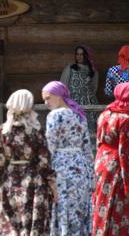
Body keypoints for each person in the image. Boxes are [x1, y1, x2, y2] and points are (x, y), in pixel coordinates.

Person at [0, 89, 56, 236]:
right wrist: (52, 185)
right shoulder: (36, 131)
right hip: (33, 184)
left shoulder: (3, 131)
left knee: (11, 225)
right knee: (31, 225)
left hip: (10, 182)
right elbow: (44, 161)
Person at [42, 81, 94, 236]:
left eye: (48, 98)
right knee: (79, 209)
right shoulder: (79, 114)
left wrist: (44, 171)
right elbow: (87, 146)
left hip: (62, 168)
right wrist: (91, 175)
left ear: (58, 96)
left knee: (63, 208)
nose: (46, 103)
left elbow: (49, 146)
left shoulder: (54, 116)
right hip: (81, 168)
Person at [92, 82, 129, 235]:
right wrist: (127, 181)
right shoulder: (125, 118)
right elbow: (124, 151)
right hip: (116, 165)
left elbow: (98, 141)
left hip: (102, 160)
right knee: (116, 203)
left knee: (102, 200)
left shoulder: (105, 113)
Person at [61, 45, 99, 142]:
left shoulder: (93, 71)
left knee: (90, 133)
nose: (79, 56)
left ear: (86, 56)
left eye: (82, 54)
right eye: (77, 54)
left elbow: (94, 88)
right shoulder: (70, 68)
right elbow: (63, 85)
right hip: (74, 103)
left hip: (89, 104)